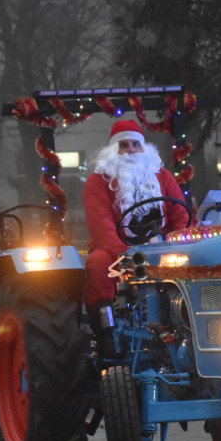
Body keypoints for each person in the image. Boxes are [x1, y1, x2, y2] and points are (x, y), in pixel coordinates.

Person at [82, 119, 191, 338]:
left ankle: (185, 321)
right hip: (118, 250)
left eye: (135, 144)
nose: (131, 150)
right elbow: (100, 223)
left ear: (144, 148)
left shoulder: (162, 176)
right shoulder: (98, 182)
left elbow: (180, 214)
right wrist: (125, 253)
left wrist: (177, 244)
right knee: (99, 264)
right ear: (114, 150)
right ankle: (106, 333)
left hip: (162, 246)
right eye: (124, 145)